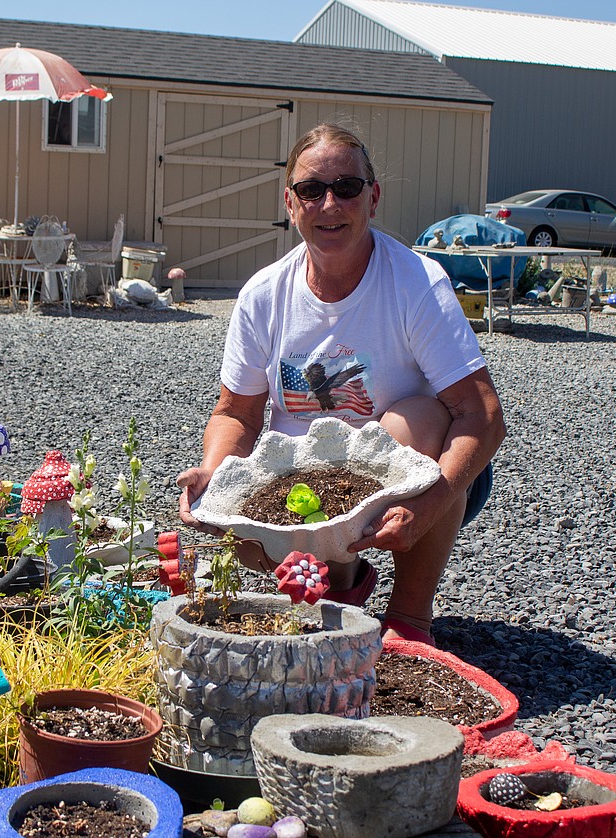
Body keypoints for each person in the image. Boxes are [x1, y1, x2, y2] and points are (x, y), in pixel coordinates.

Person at [176, 123, 506, 646]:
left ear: (372, 198)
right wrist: (215, 475)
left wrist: (430, 504)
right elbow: (237, 413)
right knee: (251, 531)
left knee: (421, 418)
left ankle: (410, 620)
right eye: (312, 190)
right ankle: (340, 590)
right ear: (291, 203)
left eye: (346, 188)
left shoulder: (417, 283)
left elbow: (481, 414)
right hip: (301, 486)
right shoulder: (263, 295)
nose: (330, 203)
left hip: (409, 466)